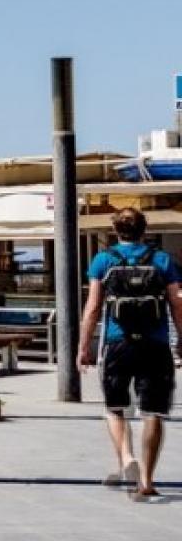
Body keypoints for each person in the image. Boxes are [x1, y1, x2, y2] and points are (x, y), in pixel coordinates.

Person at [79, 207, 182, 501]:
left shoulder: (103, 260)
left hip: (116, 342)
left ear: (116, 230)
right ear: (144, 229)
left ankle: (126, 458)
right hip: (156, 343)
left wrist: (83, 346)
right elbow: (176, 303)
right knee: (153, 412)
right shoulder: (162, 260)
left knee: (114, 407)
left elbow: (93, 308)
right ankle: (147, 481)